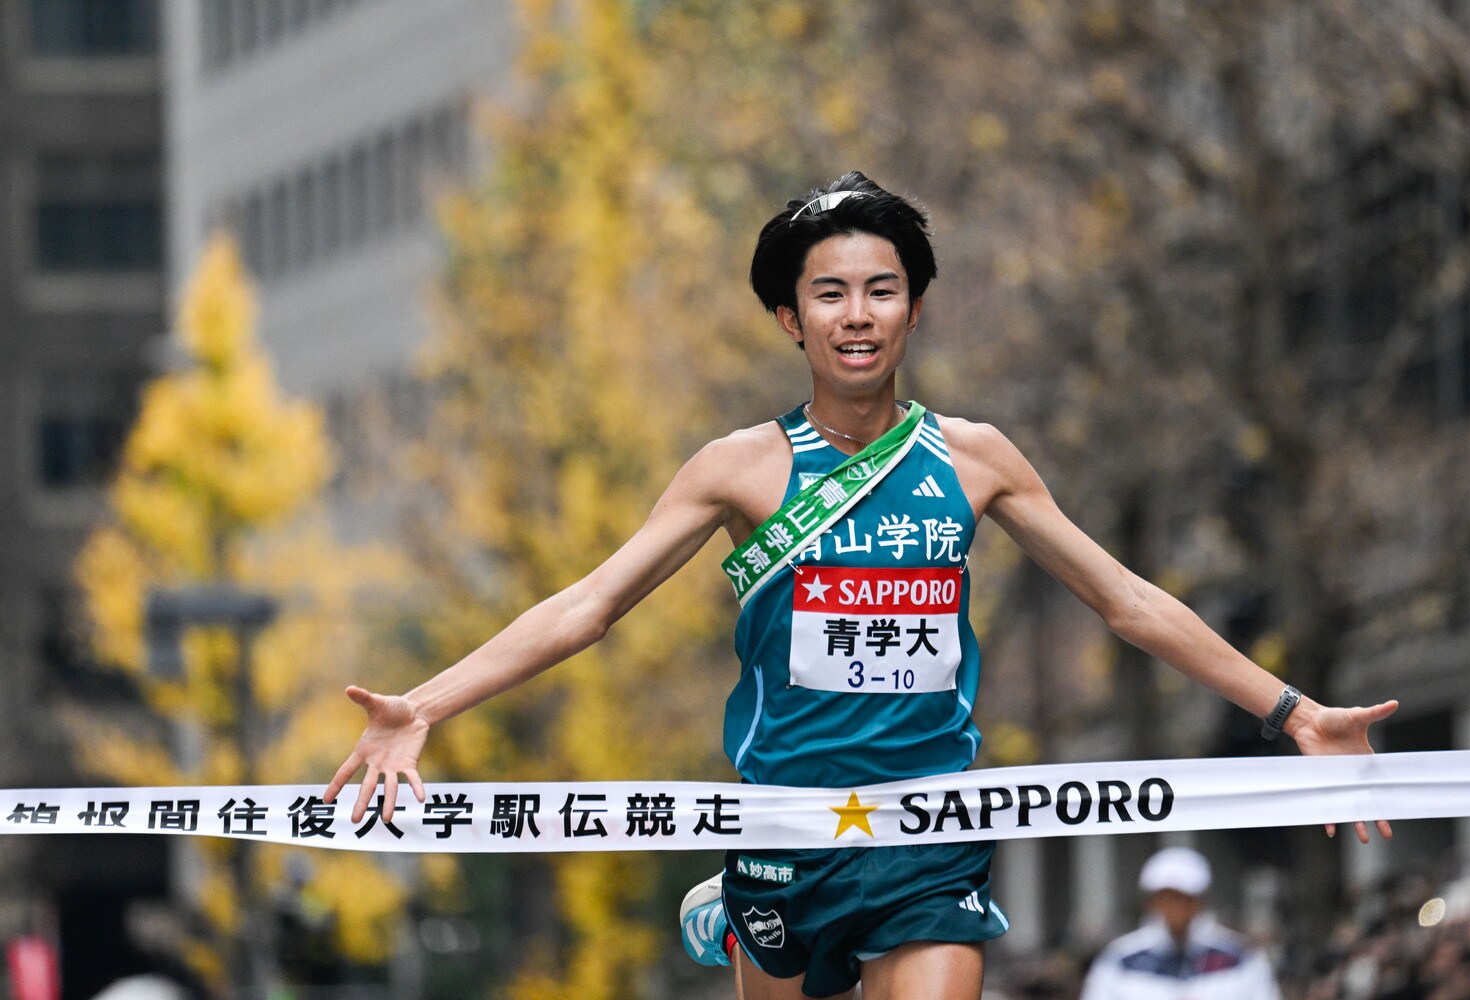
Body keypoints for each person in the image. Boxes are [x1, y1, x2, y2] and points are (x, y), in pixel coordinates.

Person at [322, 171, 1397, 1000]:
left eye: (882, 290)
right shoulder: (737, 469)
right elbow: (587, 607)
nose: (857, 313)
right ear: (791, 319)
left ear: (915, 311)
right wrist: (429, 704)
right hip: (788, 825)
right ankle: (733, 907)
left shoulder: (974, 458)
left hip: (928, 829)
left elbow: (1129, 601)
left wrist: (1290, 710)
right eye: (829, 292)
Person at [1079, 846, 1282, 1000]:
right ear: (1150, 902)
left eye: (1183, 898)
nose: (1174, 907)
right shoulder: (1121, 959)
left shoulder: (1239, 957)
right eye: (1165, 897)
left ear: (1201, 900)